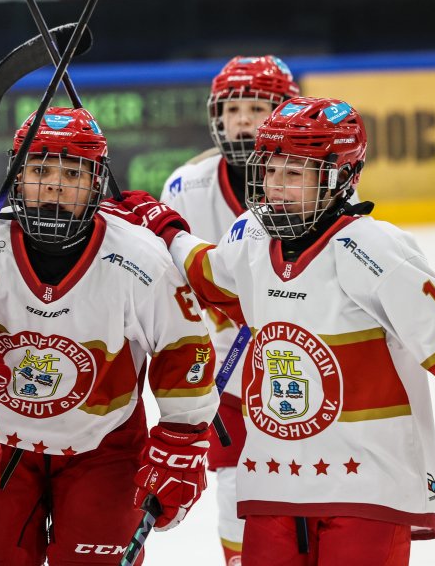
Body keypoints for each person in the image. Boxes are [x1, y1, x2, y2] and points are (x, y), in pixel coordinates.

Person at [100, 97, 435, 566]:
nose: (276, 187)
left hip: (366, 488)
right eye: (271, 171)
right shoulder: (253, 239)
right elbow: (208, 275)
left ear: (340, 178)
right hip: (274, 482)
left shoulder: (371, 247)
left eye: (295, 175)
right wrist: (167, 227)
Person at [0, 106, 220, 565]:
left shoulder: (139, 258)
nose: (55, 185)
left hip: (104, 447)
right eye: (39, 169)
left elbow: (183, 350)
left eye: (73, 172)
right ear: (16, 178)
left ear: (97, 182)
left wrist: (182, 436)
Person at [160, 55, 299, 566]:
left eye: (257, 108)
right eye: (233, 108)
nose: (243, 120)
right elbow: (174, 285)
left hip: (300, 364)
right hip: (227, 371)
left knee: (305, 485)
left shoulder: (314, 183)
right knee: (236, 488)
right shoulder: (186, 188)